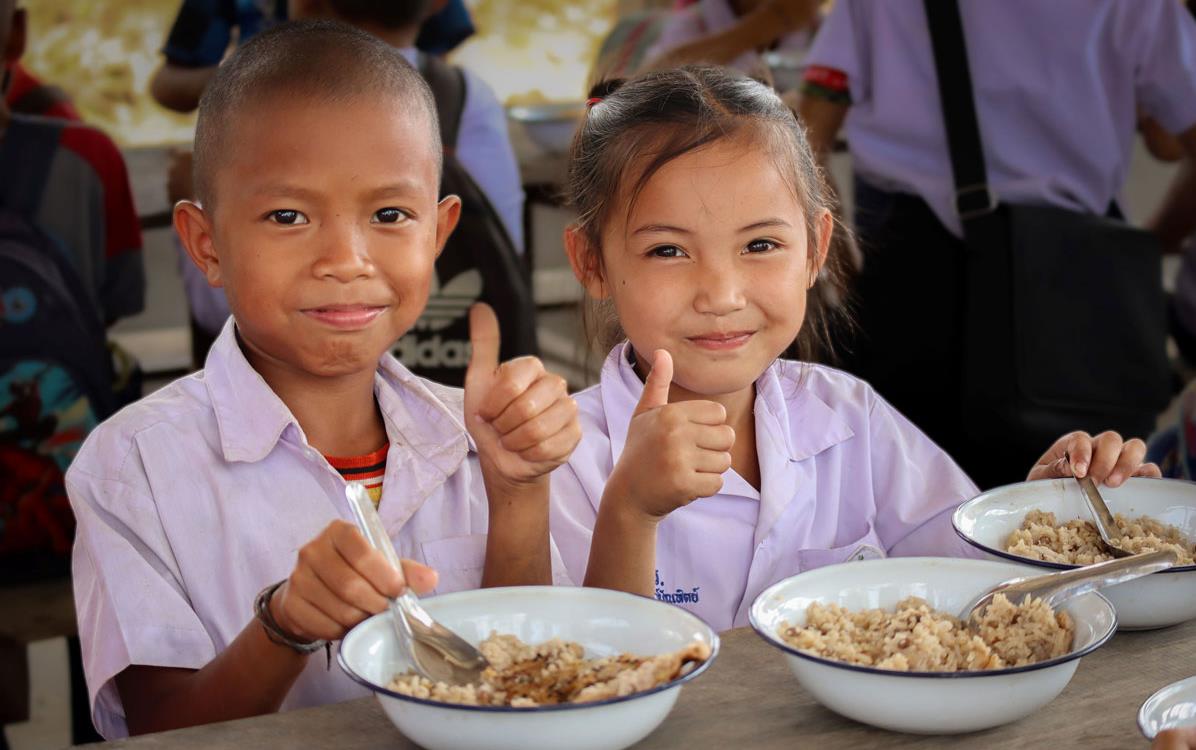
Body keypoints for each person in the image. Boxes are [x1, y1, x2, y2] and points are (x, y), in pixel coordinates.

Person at [66, 21, 580, 739]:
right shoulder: (133, 468)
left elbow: (524, 683)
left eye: (390, 214)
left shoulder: (480, 437)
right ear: (206, 244)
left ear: (437, 233)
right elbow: (161, 730)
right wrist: (284, 626)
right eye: (288, 215)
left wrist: (521, 492)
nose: (346, 258)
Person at [548, 66, 1158, 632]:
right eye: (668, 251)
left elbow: (971, 583)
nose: (722, 295)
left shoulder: (850, 419)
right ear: (592, 263)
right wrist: (630, 511)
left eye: (760, 245)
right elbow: (577, 674)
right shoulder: (563, 457)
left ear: (815, 250)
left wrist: (1041, 512)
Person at [797, 0, 1196, 488]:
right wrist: (1151, 244)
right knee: (1078, 521)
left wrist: (842, 273)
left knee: (911, 515)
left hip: (909, 286)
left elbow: (806, 142)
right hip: (1072, 289)